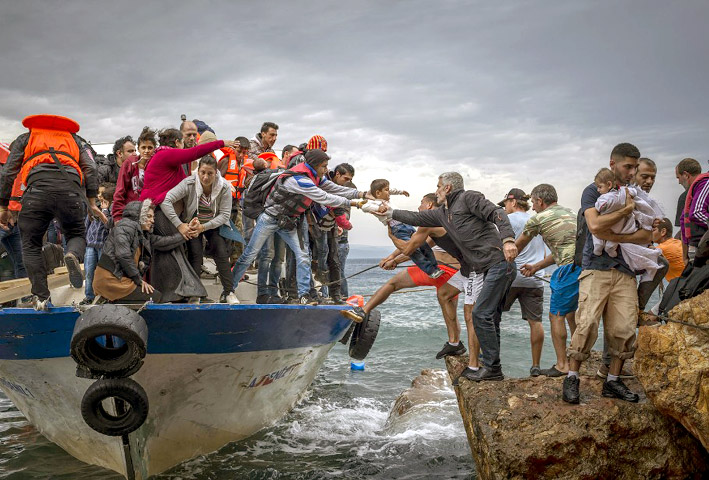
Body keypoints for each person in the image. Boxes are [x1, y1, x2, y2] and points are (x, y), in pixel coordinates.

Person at [381, 172, 518, 382]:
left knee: (480, 314)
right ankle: (493, 368)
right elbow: (416, 218)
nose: (436, 190)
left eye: (438, 186)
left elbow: (496, 212)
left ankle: (490, 368)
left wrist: (508, 239)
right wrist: (390, 212)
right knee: (491, 317)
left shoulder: (469, 198)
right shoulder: (443, 214)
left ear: (447, 188)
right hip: (484, 268)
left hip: (498, 264)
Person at [563, 142, 650, 405]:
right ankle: (572, 377)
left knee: (623, 328)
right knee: (586, 323)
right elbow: (594, 225)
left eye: (636, 167)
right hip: (595, 268)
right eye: (628, 166)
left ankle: (612, 381)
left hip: (626, 271)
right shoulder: (594, 189)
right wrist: (624, 212)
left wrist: (613, 235)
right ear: (613, 164)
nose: (632, 172)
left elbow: (646, 236)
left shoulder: (636, 193)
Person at [231, 149, 368, 305]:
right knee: (250, 254)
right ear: (315, 165)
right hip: (269, 218)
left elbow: (335, 189)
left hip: (288, 222)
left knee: (303, 256)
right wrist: (352, 203)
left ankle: (304, 295)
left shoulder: (316, 177)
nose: (326, 170)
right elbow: (323, 196)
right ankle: (229, 290)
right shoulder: (298, 180)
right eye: (324, 166)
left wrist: (362, 194)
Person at [0, 114, 105, 310]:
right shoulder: (75, 140)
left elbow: (7, 173)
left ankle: (41, 298)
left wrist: (4, 207)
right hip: (71, 194)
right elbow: (90, 168)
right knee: (76, 234)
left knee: (30, 245)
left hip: (36, 194)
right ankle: (72, 255)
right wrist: (92, 202)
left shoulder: (26, 138)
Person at [343, 194, 468, 358]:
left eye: (421, 203)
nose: (419, 207)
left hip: (439, 270)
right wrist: (391, 258)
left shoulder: (431, 223)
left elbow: (412, 248)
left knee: (392, 284)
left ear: (430, 205)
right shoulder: (446, 220)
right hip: (454, 272)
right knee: (448, 307)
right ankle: (454, 342)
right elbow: (415, 242)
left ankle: (363, 311)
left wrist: (393, 257)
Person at [140, 127, 236, 302]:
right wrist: (222, 143)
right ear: (177, 143)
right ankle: (178, 295)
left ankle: (186, 293)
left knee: (176, 252)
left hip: (165, 212)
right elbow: (194, 153)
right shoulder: (166, 154)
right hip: (159, 212)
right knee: (172, 253)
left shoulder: (171, 164)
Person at [515, 184, 580, 377]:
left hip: (568, 269)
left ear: (540, 201)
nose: (532, 207)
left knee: (556, 316)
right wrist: (535, 267)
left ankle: (562, 365)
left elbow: (516, 248)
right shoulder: (571, 213)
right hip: (586, 266)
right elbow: (562, 249)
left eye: (534, 203)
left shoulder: (538, 219)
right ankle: (578, 356)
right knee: (571, 314)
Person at [162, 155, 238, 304]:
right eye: (202, 172)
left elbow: (224, 215)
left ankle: (229, 292)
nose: (205, 177)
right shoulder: (189, 183)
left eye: (210, 173)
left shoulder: (224, 187)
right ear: (198, 172)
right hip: (193, 221)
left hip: (213, 223)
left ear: (216, 173)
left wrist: (204, 227)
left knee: (221, 251)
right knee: (195, 254)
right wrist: (180, 224)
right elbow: (166, 200)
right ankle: (195, 292)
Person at [93, 201, 183, 304]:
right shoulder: (125, 226)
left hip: (120, 279)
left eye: (153, 217)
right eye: (149, 216)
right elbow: (123, 255)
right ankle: (109, 303)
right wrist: (139, 280)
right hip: (110, 280)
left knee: (155, 296)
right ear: (140, 215)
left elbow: (162, 242)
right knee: (154, 297)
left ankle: (110, 303)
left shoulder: (142, 234)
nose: (152, 221)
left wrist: (185, 235)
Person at [498, 188, 546, 377]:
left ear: (513, 203)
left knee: (492, 316)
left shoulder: (508, 221)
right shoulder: (538, 220)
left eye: (506, 205)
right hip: (535, 277)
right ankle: (536, 365)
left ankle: (490, 359)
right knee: (536, 323)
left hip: (511, 275)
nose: (505, 208)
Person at [591, 168, 663, 281]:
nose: (598, 190)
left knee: (599, 236)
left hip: (616, 221)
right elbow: (634, 193)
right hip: (622, 223)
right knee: (610, 238)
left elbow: (599, 206)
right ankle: (608, 248)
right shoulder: (625, 190)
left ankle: (599, 247)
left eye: (600, 187)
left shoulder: (606, 197)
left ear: (609, 184)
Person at [362, 179, 443, 279]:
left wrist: (401, 192)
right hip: (397, 228)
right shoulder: (374, 203)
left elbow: (391, 191)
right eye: (387, 190)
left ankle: (435, 268)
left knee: (424, 245)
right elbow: (364, 207)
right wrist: (378, 209)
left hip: (407, 225)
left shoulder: (386, 199)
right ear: (378, 193)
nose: (389, 192)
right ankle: (430, 271)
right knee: (413, 251)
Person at [113, 127, 156, 221]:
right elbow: (120, 190)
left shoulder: (157, 164)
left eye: (150, 148)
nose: (146, 151)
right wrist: (117, 217)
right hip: (131, 212)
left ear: (154, 149)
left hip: (151, 213)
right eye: (143, 147)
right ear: (139, 149)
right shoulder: (129, 163)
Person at [81, 182, 115, 305]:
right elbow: (87, 224)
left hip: (103, 245)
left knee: (103, 273)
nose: (99, 196)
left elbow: (108, 225)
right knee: (89, 272)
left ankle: (105, 296)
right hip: (91, 244)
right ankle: (89, 296)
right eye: (99, 194)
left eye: (102, 194)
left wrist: (104, 211)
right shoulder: (94, 207)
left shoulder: (111, 210)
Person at [678, 158, 709, 264]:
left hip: (694, 246)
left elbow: (683, 221)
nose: (678, 182)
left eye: (679, 178)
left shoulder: (692, 191)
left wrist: (685, 255)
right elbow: (697, 212)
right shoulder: (706, 183)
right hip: (703, 245)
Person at [675, 157, 701, 237]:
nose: (679, 182)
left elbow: (683, 230)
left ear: (686, 175)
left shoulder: (685, 197)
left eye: (678, 177)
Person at [653, 217, 685, 282]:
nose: (648, 233)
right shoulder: (678, 242)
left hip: (682, 285)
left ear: (663, 232)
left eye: (653, 230)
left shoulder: (662, 249)